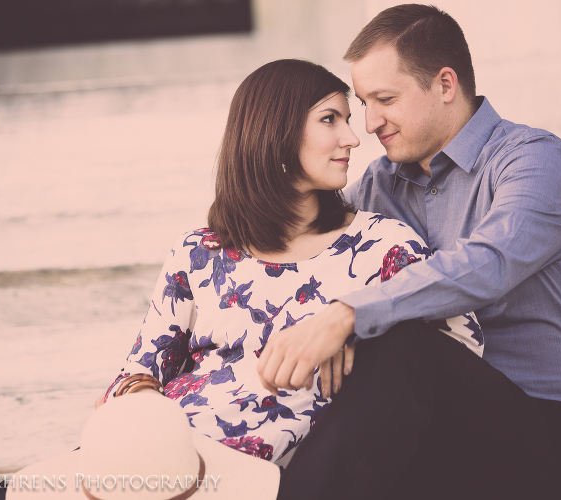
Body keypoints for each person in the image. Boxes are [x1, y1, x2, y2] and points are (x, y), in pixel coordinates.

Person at [257, 5, 561, 500]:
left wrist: (346, 316)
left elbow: (486, 265)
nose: (369, 122)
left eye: (384, 99)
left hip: (551, 442)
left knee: (397, 342)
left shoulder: (536, 160)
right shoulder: (379, 186)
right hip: (430, 434)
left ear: (445, 85)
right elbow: (305, 249)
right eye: (363, 102)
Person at [95, 58, 483, 467]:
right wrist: (148, 421)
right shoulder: (198, 253)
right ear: (275, 133)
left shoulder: (381, 245)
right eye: (330, 119)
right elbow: (133, 378)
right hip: (162, 461)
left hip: (273, 476)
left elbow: (459, 350)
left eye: (346, 120)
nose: (353, 137)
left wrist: (361, 336)